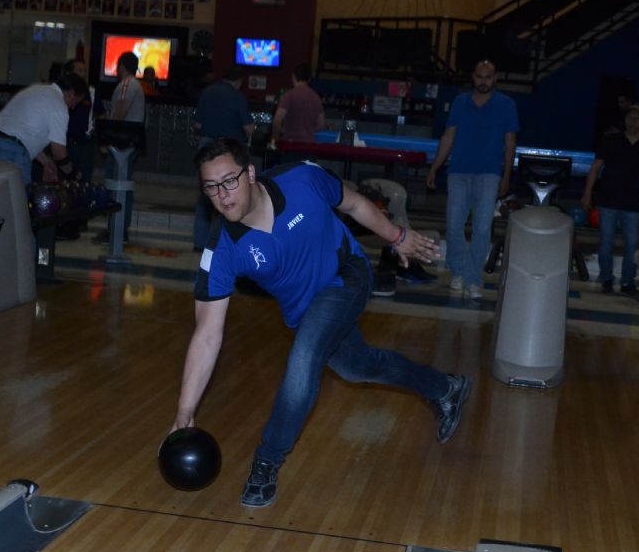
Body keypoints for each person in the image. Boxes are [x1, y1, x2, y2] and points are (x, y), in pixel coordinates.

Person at [174, 137, 471, 508]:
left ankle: (267, 461)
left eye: (230, 180)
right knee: (357, 367)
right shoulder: (221, 250)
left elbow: (356, 203)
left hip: (347, 275)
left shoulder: (301, 180)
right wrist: (185, 412)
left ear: (249, 173)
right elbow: (206, 335)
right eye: (212, 187)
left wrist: (398, 236)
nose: (223, 194)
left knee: (305, 356)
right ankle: (445, 388)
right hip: (304, 312)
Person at [425, 60, 518, 300]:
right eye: (479, 76)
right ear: (473, 77)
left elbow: (510, 143)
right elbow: (448, 137)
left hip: (489, 174)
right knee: (454, 225)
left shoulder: (507, 105)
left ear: (495, 78)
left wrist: (506, 175)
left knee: (482, 228)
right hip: (458, 171)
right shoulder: (459, 102)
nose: (483, 81)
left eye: (488, 76)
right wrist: (435, 168)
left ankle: (473, 278)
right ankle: (459, 273)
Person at [581, 104, 639, 295]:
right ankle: (606, 278)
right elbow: (595, 168)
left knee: (632, 245)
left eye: (636, 118)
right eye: (629, 117)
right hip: (608, 200)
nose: (632, 121)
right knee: (606, 243)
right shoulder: (610, 140)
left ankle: (627, 283)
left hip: (632, 203)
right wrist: (587, 193)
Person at [0, 73, 87, 185]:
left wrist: (46, 162)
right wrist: (75, 175)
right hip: (10, 151)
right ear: (72, 95)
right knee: (15, 200)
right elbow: (58, 152)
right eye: (76, 102)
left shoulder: (36, 89)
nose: (73, 107)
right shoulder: (59, 105)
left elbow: (22, 134)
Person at [191, 66, 254, 249]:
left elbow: (197, 123)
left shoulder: (207, 92)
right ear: (239, 81)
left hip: (206, 148)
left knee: (205, 195)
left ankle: (200, 243)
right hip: (229, 151)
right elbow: (249, 127)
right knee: (231, 195)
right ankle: (230, 243)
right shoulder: (237, 96)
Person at [96, 51, 146, 243]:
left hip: (121, 146)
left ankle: (117, 229)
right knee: (122, 185)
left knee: (116, 185)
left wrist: (106, 140)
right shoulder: (135, 85)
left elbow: (120, 113)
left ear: (121, 66)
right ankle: (118, 228)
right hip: (128, 145)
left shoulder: (127, 84)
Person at [61, 58, 101, 185]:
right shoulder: (62, 92)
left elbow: (101, 113)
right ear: (69, 73)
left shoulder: (91, 92)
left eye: (84, 70)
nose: (83, 74)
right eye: (79, 70)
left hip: (85, 145)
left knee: (84, 181)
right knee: (63, 180)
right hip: (65, 142)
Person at [271, 63, 325, 145]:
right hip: (309, 146)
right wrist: (308, 132)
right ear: (309, 79)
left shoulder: (289, 95)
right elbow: (321, 124)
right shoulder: (316, 97)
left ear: (293, 77)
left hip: (291, 144)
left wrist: (276, 139)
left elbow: (277, 121)